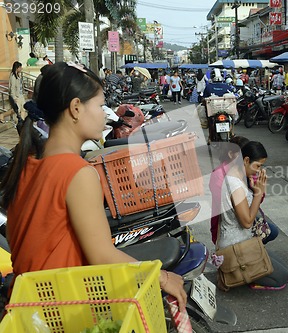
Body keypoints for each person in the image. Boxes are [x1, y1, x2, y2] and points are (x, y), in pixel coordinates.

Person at [0, 62, 187, 310]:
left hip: (24, 308)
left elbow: (16, 239)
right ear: (76, 108)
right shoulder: (76, 173)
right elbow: (102, 256)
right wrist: (162, 277)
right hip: (63, 310)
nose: (105, 114)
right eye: (100, 106)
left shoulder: (24, 166)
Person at [217, 141, 288, 290]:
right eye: (258, 165)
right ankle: (241, 276)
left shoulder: (239, 176)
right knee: (282, 278)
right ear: (246, 160)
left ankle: (247, 271)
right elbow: (247, 222)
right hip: (236, 246)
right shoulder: (235, 185)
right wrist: (258, 193)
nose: (259, 170)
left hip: (245, 239)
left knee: (282, 269)